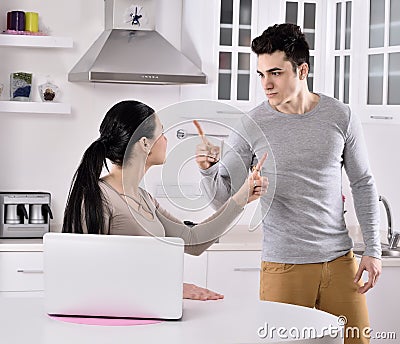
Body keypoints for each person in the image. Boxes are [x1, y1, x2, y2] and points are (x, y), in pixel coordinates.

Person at [195, 24, 381, 343]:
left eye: (276, 73)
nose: (266, 84)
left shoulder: (341, 116)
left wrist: (373, 249)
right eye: (261, 74)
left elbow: (363, 182)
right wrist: (206, 170)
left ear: (302, 69)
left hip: (340, 262)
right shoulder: (251, 123)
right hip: (284, 266)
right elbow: (220, 197)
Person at [62, 100, 268, 301]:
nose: (166, 139)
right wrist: (170, 288)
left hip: (147, 315)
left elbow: (194, 240)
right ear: (145, 144)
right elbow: (87, 277)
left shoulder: (145, 199)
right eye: (161, 133)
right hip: (111, 325)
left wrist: (241, 198)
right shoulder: (98, 197)